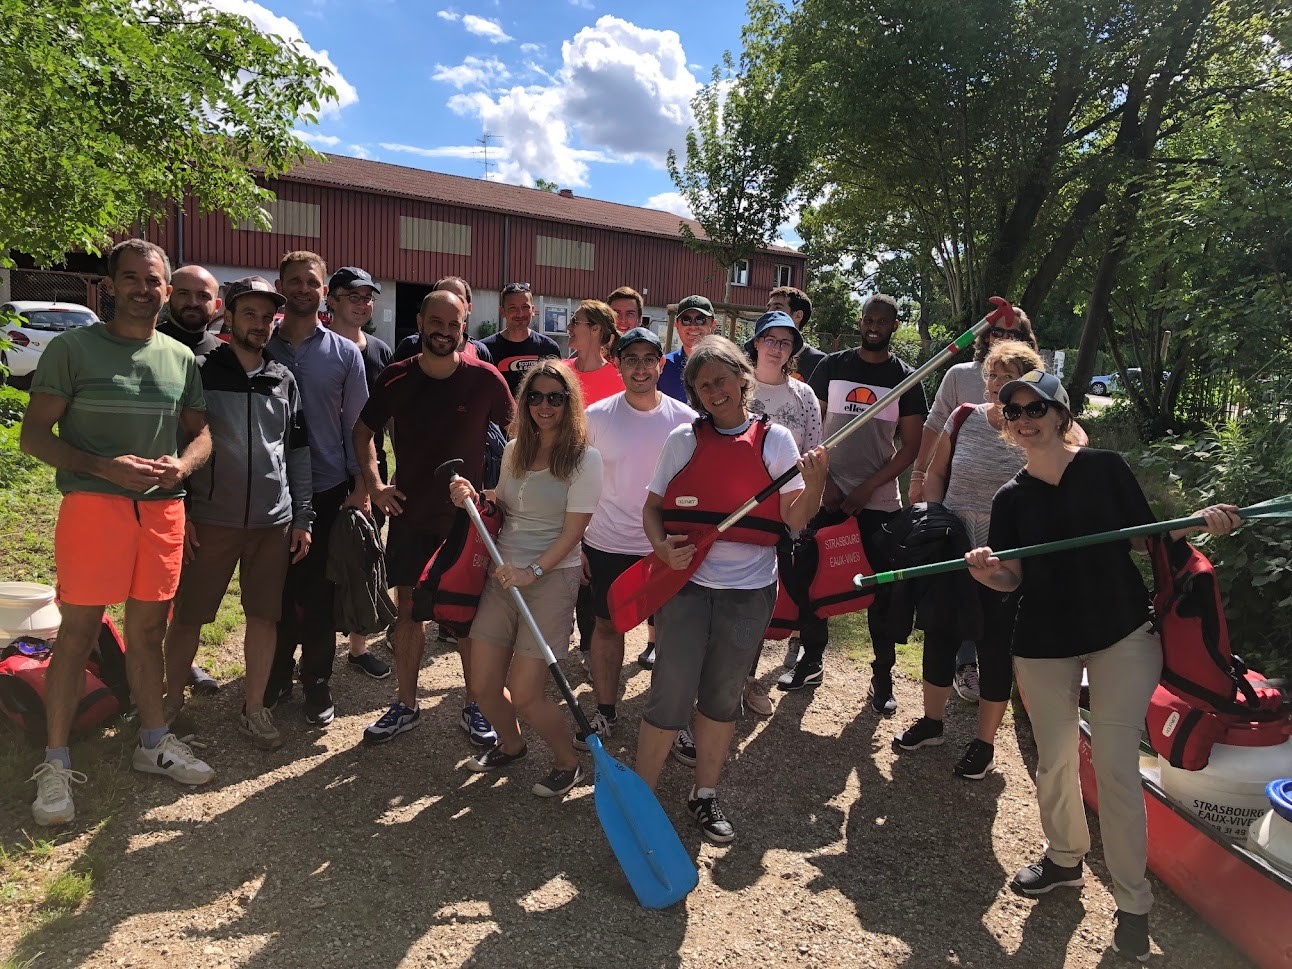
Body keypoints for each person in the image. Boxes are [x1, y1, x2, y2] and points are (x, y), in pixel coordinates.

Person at [964, 369, 1240, 963]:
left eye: (1035, 406)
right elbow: (1014, 577)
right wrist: (991, 570)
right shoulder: (1010, 498)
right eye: (1012, 411)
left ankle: (1132, 904)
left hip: (1121, 635)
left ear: (1061, 413)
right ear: (1007, 426)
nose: (1024, 417)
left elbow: (1150, 541)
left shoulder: (1106, 469)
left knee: (1115, 768)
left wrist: (1202, 522)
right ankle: (1065, 859)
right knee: (1055, 761)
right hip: (1042, 642)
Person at [21, 239, 214, 826]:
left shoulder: (178, 357)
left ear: (164, 288)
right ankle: (55, 763)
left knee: (149, 628)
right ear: (112, 286)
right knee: (77, 631)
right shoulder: (73, 349)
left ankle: (152, 741)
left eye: (153, 280)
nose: (143, 289)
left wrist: (181, 466)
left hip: (161, 511)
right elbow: (34, 437)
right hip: (93, 506)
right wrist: (105, 467)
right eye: (131, 279)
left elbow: (202, 434)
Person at [634, 336, 827, 842]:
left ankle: (705, 794)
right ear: (695, 395)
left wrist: (819, 481)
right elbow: (653, 508)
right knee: (670, 696)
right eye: (703, 386)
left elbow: (794, 520)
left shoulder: (776, 440)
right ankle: (640, 799)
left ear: (743, 379)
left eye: (721, 380)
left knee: (721, 698)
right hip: (687, 587)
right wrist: (660, 548)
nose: (714, 391)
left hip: (750, 592)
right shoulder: (683, 439)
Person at [356, 290, 515, 747]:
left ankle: (475, 706)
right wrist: (375, 485)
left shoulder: (485, 379)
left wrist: (500, 494)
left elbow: (518, 435)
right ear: (422, 322)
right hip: (410, 514)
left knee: (467, 617)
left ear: (465, 327)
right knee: (409, 612)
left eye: (455, 324)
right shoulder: (397, 377)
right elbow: (363, 430)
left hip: (466, 521)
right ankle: (406, 704)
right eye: (436, 322)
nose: (445, 331)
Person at [161, 276, 314, 750]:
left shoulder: (283, 378)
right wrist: (182, 511)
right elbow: (178, 443)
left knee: (264, 617)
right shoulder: (201, 370)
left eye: (268, 317)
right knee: (188, 616)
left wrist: (303, 515)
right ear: (227, 315)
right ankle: (169, 704)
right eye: (250, 314)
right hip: (210, 519)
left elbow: (297, 452)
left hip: (273, 522)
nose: (260, 324)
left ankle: (254, 708)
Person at [449, 361, 603, 799]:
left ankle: (567, 761)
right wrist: (473, 498)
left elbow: (574, 532)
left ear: (569, 403)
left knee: (526, 693)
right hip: (503, 572)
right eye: (535, 396)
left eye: (556, 397)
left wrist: (531, 571)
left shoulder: (584, 460)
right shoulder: (515, 450)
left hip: (551, 578)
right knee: (481, 684)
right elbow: (507, 507)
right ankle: (512, 744)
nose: (544, 405)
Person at [890, 341, 1042, 779]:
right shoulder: (965, 416)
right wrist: (936, 520)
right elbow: (937, 473)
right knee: (939, 635)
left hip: (1004, 559)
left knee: (995, 648)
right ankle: (932, 723)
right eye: (991, 375)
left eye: (1006, 376)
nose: (995, 385)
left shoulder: (1033, 429)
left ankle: (984, 743)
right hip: (952, 551)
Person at [780, 295, 927, 717]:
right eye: (869, 319)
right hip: (825, 493)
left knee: (880, 592)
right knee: (812, 580)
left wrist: (866, 490)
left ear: (895, 326)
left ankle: (882, 677)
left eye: (883, 321)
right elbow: (812, 432)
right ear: (860, 322)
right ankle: (810, 661)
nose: (874, 326)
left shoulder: (905, 379)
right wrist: (822, 485)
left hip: (877, 502)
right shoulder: (833, 366)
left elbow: (910, 448)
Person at [908, 309, 1041, 703]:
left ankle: (996, 715)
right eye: (994, 331)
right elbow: (934, 431)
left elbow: (1065, 444)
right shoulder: (962, 389)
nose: (1000, 337)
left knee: (999, 628)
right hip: (958, 523)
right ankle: (959, 676)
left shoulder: (1036, 413)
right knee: (947, 622)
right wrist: (924, 493)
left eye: (1010, 332)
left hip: (1011, 537)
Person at [577, 328, 696, 749]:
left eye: (650, 359)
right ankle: (605, 712)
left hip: (664, 547)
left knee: (671, 633)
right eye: (632, 359)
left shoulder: (687, 420)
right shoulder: (595, 417)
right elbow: (578, 482)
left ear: (662, 365)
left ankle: (672, 717)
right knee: (607, 628)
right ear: (618, 364)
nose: (641, 367)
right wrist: (578, 545)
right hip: (607, 543)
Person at [265, 251, 369, 726]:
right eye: (295, 281)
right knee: (276, 590)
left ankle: (318, 681)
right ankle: (277, 673)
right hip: (268, 490)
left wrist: (360, 486)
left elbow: (358, 427)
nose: (303, 289)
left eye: (312, 282)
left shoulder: (346, 354)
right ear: (281, 286)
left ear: (324, 290)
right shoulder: (261, 347)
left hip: (329, 488)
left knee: (321, 592)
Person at [743, 310, 824, 715]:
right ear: (756, 342)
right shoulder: (739, 387)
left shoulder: (803, 396)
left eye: (785, 342)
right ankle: (719, 678)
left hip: (784, 514)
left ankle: (749, 678)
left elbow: (813, 452)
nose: (777, 348)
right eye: (770, 340)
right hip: (737, 510)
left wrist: (805, 509)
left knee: (763, 600)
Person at [156, 263, 224, 697]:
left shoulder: (222, 353)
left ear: (216, 305)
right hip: (149, 488)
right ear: (168, 294)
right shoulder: (150, 343)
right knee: (152, 593)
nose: (194, 303)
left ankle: (183, 665)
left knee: (186, 592)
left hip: (204, 490)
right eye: (185, 293)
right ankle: (140, 668)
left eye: (203, 297)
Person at [324, 266, 392, 680]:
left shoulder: (380, 352)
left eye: (368, 297)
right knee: (318, 563)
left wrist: (370, 481)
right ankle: (308, 646)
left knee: (363, 558)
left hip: (370, 468)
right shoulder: (314, 347)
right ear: (330, 299)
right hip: (322, 470)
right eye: (354, 296)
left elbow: (390, 417)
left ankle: (357, 645)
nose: (363, 304)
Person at [480, 282, 560, 395]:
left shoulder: (549, 348)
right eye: (513, 308)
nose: (520, 313)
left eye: (525, 307)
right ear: (502, 311)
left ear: (533, 310)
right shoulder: (485, 350)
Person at [392, 277, 492, 365]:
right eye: (442, 297)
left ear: (469, 308)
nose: (451, 302)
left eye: (458, 299)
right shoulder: (410, 347)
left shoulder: (480, 352)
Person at [658, 295, 717, 402]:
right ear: (677, 325)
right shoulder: (662, 367)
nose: (693, 326)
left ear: (713, 325)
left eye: (700, 320)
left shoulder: (725, 367)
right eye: (686, 320)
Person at [567, 300, 624, 405]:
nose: (568, 327)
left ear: (595, 329)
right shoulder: (561, 370)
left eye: (574, 321)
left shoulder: (619, 381)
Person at [766, 286, 827, 383]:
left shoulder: (820, 363)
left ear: (798, 316)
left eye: (777, 308)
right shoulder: (757, 356)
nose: (769, 313)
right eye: (769, 308)